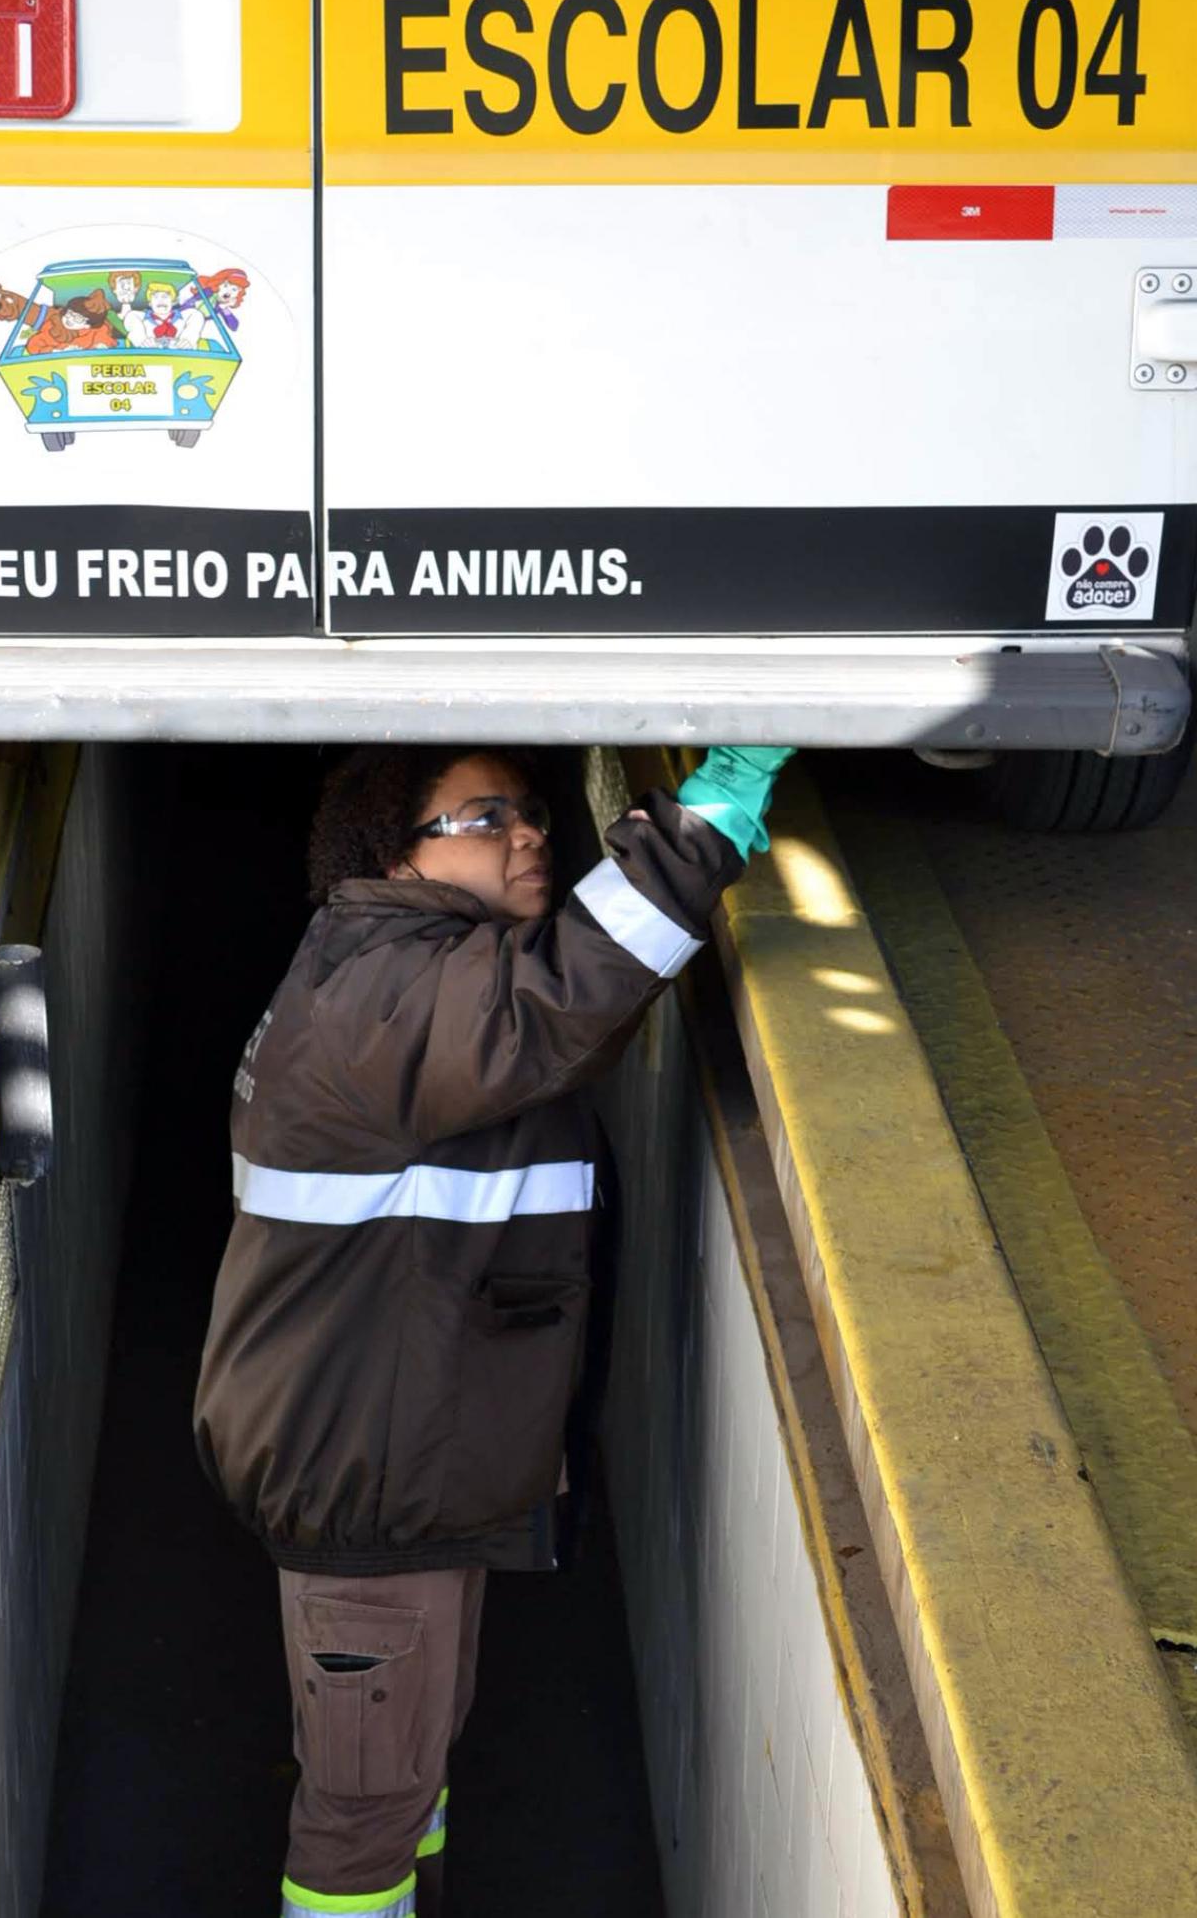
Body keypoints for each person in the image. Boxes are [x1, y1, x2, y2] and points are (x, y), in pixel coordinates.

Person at [193, 742, 794, 1918]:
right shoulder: (384, 994)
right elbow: (559, 1004)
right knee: (361, 1815)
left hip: (394, 1466)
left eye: (529, 811)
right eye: (485, 817)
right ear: (393, 854)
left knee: (403, 1778)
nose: (529, 834)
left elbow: (555, 1018)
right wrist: (698, 828)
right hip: (366, 1478)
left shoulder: (399, 977)